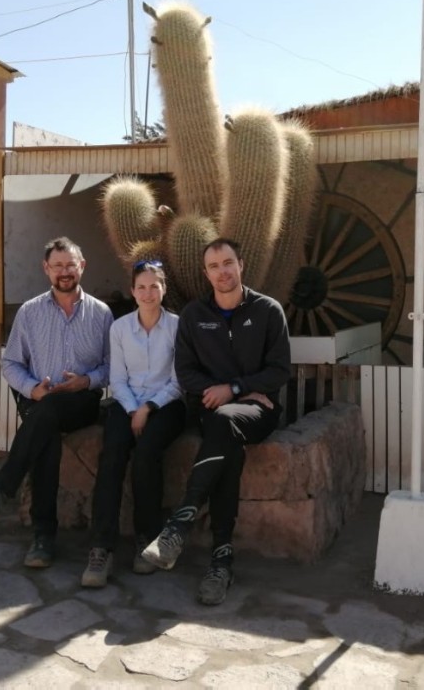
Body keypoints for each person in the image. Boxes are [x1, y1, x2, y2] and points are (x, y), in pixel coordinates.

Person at [141, 238, 291, 605]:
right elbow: (186, 372)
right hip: (215, 409)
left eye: (228, 263)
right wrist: (220, 391)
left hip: (260, 410)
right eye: (214, 266)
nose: (222, 271)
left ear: (241, 264)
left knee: (225, 423)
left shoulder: (268, 310)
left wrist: (237, 387)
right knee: (227, 446)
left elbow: (280, 370)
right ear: (206, 273)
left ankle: (178, 526)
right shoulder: (194, 315)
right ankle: (221, 561)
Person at [0, 237, 112, 568]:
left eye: (70, 265)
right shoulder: (29, 313)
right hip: (40, 401)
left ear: (82, 266)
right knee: (45, 432)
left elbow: (112, 364)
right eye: (57, 265)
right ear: (46, 269)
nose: (64, 271)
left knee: (45, 418)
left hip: (81, 402)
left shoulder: (101, 314)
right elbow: (11, 363)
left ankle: (5, 492)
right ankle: (42, 535)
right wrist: (33, 389)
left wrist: (86, 381)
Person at [81, 261, 186, 588]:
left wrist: (150, 407)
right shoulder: (120, 328)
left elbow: (179, 380)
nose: (147, 293)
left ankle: (147, 539)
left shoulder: (178, 327)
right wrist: (132, 409)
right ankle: (101, 549)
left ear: (163, 289)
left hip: (167, 405)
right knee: (111, 456)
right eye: (141, 287)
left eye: (154, 286)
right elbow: (118, 378)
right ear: (132, 291)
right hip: (127, 404)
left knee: (146, 455)